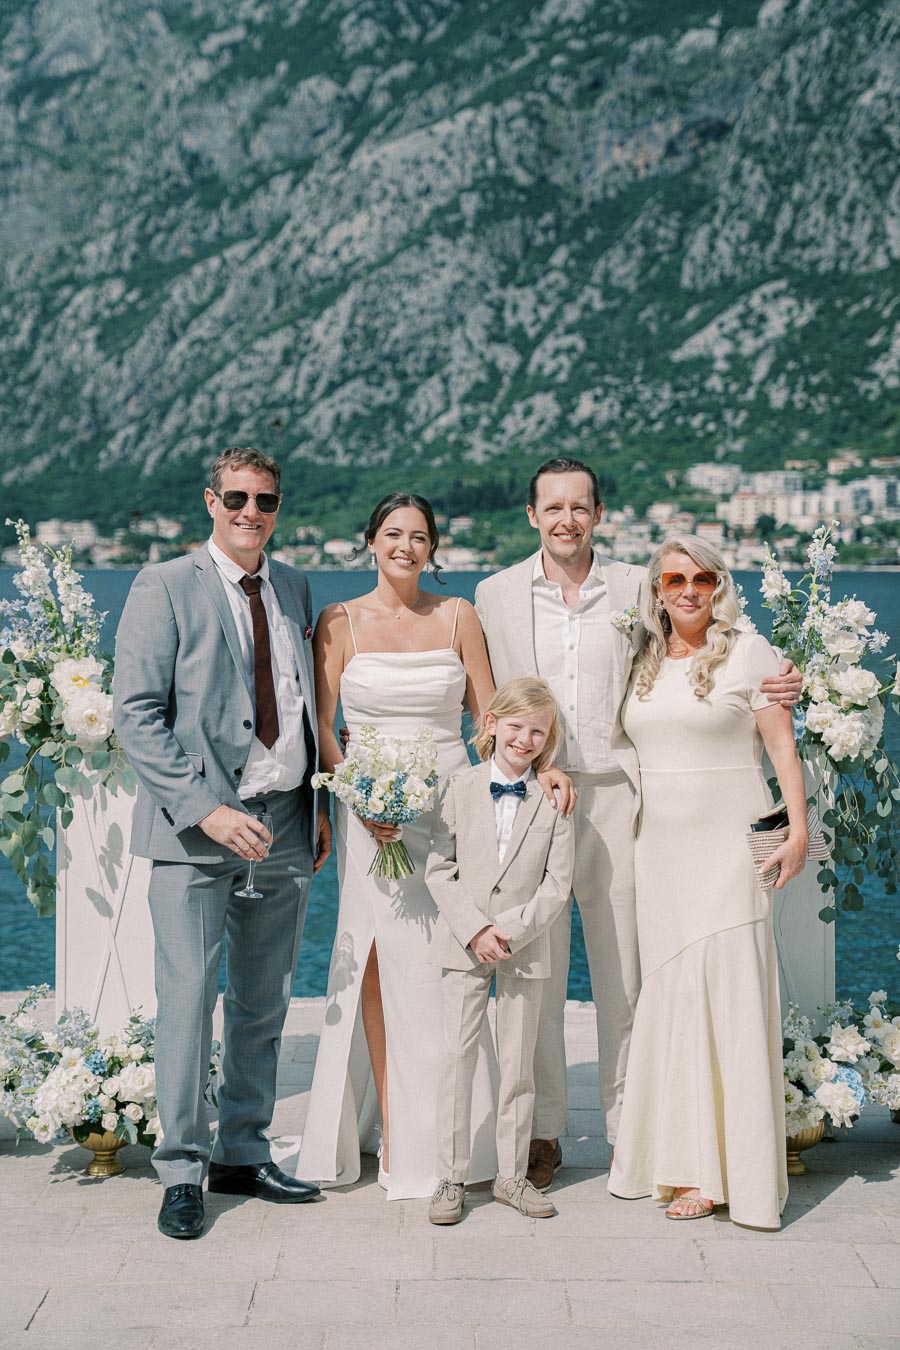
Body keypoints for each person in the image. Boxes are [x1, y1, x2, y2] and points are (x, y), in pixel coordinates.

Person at [475, 457, 802, 1191]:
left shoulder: (635, 586)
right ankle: (544, 1131)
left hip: (625, 798)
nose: (567, 520)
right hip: (535, 800)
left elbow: (710, 640)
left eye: (580, 507)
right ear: (532, 515)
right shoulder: (493, 594)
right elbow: (487, 697)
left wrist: (786, 677)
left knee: (626, 971)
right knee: (540, 973)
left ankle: (631, 1131)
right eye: (553, 508)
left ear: (598, 513)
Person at [295, 493, 573, 1200]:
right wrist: (357, 799)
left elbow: (491, 717)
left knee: (456, 963)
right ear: (370, 541)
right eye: (394, 534)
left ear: (433, 547)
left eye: (420, 537)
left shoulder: (458, 617)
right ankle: (396, 1135)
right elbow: (324, 728)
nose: (407, 548)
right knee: (383, 967)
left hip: (455, 814)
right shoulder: (337, 622)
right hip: (373, 819)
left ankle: (470, 1139)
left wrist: (542, 773)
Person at [113, 446, 332, 1240]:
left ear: (279, 508)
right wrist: (207, 811)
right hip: (196, 834)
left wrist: (320, 810)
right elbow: (135, 713)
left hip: (283, 823)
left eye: (265, 500)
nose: (250, 512)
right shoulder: (164, 585)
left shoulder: (296, 587)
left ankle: (244, 1150)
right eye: (236, 497)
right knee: (186, 1004)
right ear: (211, 501)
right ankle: (182, 1168)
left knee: (263, 1001)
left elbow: (306, 704)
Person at [608, 536, 807, 1227]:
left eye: (700, 578)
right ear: (657, 588)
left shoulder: (749, 652)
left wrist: (799, 831)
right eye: (673, 579)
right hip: (657, 850)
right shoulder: (639, 656)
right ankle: (673, 1159)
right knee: (669, 995)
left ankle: (726, 1175)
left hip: (730, 845)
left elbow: (782, 746)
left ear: (717, 584)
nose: (687, 590)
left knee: (726, 993)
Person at [426, 679, 574, 1225]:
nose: (525, 738)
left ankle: (512, 1177)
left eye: (538, 730)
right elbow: (440, 869)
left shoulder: (556, 798)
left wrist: (507, 931)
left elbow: (557, 887)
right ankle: (451, 1177)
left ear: (548, 738)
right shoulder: (459, 788)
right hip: (464, 945)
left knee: (518, 1066)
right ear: (490, 724)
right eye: (515, 726)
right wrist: (475, 930)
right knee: (457, 1060)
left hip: (524, 947)